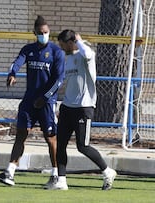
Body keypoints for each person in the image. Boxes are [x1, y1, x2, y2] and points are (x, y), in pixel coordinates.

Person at [0, 15, 65, 188]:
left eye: (46, 32)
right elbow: (16, 62)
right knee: (21, 134)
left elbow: (59, 79)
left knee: (50, 138)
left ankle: (56, 175)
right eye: (40, 33)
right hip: (29, 100)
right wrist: (12, 74)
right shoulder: (28, 49)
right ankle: (10, 172)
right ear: (34, 33)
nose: (43, 35)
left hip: (46, 101)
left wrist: (45, 97)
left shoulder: (56, 52)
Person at [48, 29, 117, 190]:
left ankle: (107, 171)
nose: (62, 48)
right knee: (61, 144)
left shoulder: (86, 54)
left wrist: (79, 40)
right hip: (67, 107)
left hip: (83, 108)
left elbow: (87, 54)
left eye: (63, 44)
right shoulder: (68, 59)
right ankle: (62, 181)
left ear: (71, 42)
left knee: (82, 146)